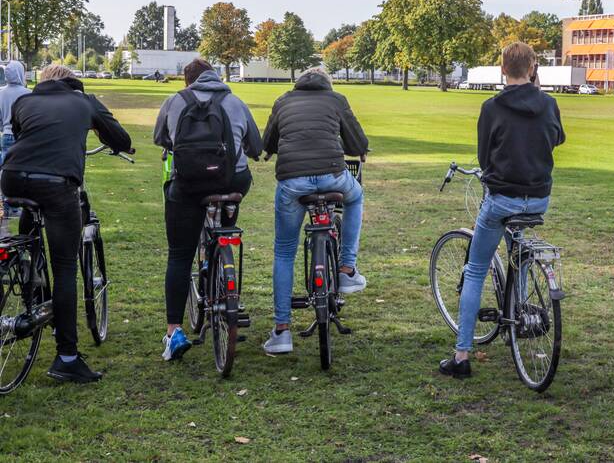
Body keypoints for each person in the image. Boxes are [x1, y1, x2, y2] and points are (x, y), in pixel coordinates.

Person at [439, 42, 565, 379]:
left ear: (502, 69)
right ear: (533, 68)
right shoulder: (548, 104)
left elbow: (484, 157)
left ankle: (462, 353)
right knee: (518, 256)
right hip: (537, 198)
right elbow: (556, 139)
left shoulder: (492, 107)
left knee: (476, 269)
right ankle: (518, 315)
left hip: (502, 197)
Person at [1, 64, 132, 382]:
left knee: (32, 224)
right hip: (58, 184)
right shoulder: (84, 101)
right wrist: (118, 145)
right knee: (65, 268)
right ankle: (67, 358)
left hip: (13, 177)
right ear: (73, 83)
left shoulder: (25, 102)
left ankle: (31, 277)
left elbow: (22, 135)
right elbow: (119, 137)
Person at [153, 59, 262, 361]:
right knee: (226, 219)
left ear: (187, 81)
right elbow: (256, 145)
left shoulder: (176, 101)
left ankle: (174, 331)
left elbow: (159, 138)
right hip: (231, 182)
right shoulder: (235, 101)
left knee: (178, 255)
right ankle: (223, 259)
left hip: (187, 185)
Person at [259, 67, 370, 354]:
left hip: (292, 181)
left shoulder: (283, 101)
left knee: (284, 251)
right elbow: (357, 141)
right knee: (355, 198)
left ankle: (282, 330)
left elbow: (268, 140)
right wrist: (360, 152)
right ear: (326, 85)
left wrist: (271, 151)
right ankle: (346, 269)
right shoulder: (336, 99)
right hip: (332, 175)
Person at [0, 60, 32, 215]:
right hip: (23, 136)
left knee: (6, 170)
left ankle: (6, 204)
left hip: (6, 135)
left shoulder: (0, 92)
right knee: (24, 170)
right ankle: (20, 206)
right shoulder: (28, 94)